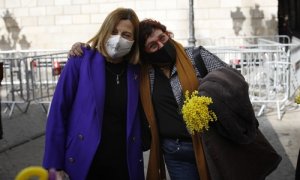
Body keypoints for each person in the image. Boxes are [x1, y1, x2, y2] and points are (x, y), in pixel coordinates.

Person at [69, 19, 281, 180]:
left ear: (168, 34)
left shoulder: (195, 55)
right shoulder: (142, 72)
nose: (160, 45)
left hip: (213, 144)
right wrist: (85, 48)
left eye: (162, 38)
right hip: (175, 152)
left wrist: (207, 97)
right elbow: (112, 59)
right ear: (145, 53)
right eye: (152, 45)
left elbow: (234, 80)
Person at [43, 8, 145, 180]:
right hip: (85, 161)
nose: (118, 39)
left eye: (126, 35)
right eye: (113, 32)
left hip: (124, 163)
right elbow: (58, 112)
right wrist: (54, 165)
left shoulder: (137, 71)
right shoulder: (81, 61)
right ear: (104, 32)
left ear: (134, 41)